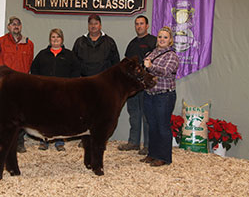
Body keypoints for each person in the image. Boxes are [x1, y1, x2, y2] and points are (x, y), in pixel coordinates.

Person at [73, 14, 120, 147]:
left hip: (103, 86)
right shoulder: (79, 42)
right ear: (88, 26)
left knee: (103, 114)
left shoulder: (109, 42)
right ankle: (85, 140)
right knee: (84, 113)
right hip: (84, 85)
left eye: (96, 23)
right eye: (91, 23)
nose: (93, 26)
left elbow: (115, 64)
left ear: (100, 25)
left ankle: (101, 139)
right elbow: (74, 63)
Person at [30, 28, 80, 151]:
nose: (55, 39)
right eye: (53, 37)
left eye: (58, 37)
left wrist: (70, 85)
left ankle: (59, 141)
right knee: (44, 116)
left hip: (63, 92)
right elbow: (34, 70)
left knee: (61, 117)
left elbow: (76, 71)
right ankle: (44, 140)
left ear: (62, 39)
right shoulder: (42, 54)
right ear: (50, 39)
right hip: (45, 92)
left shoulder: (69, 55)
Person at [0, 16, 34, 153]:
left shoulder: (29, 44)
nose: (16, 26)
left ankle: (19, 141)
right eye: (13, 24)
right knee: (1, 115)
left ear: (21, 27)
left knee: (21, 115)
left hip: (21, 86)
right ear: (8, 27)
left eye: (18, 24)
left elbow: (29, 63)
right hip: (4, 85)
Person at [140, 26, 179, 167]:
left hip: (164, 95)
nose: (162, 39)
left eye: (165, 37)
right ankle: (152, 154)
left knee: (163, 126)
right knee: (152, 126)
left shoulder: (172, 56)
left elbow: (165, 71)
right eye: (160, 37)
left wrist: (150, 67)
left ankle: (164, 157)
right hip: (149, 94)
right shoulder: (151, 53)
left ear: (170, 41)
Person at [118, 16, 156, 155]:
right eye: (137, 24)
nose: (139, 26)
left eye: (141, 24)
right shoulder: (132, 44)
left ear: (147, 25)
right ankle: (133, 142)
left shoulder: (153, 42)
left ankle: (147, 145)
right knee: (133, 113)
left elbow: (156, 63)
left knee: (147, 115)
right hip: (133, 86)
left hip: (146, 85)